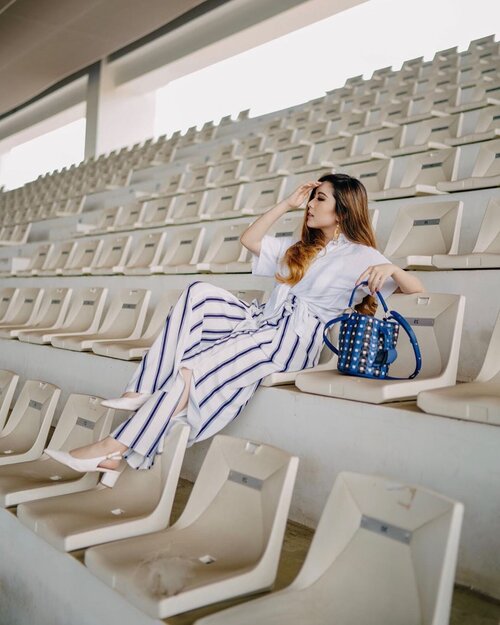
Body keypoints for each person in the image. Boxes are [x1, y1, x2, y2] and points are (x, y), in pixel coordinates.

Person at [45, 173, 424, 486]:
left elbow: (416, 292)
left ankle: (113, 448)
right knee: (199, 293)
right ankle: (140, 390)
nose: (310, 204)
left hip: (291, 340)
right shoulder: (301, 247)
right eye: (312, 198)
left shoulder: (363, 255)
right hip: (262, 320)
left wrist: (393, 270)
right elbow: (251, 240)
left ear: (342, 210)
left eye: (319, 199)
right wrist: (285, 205)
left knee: (193, 369)